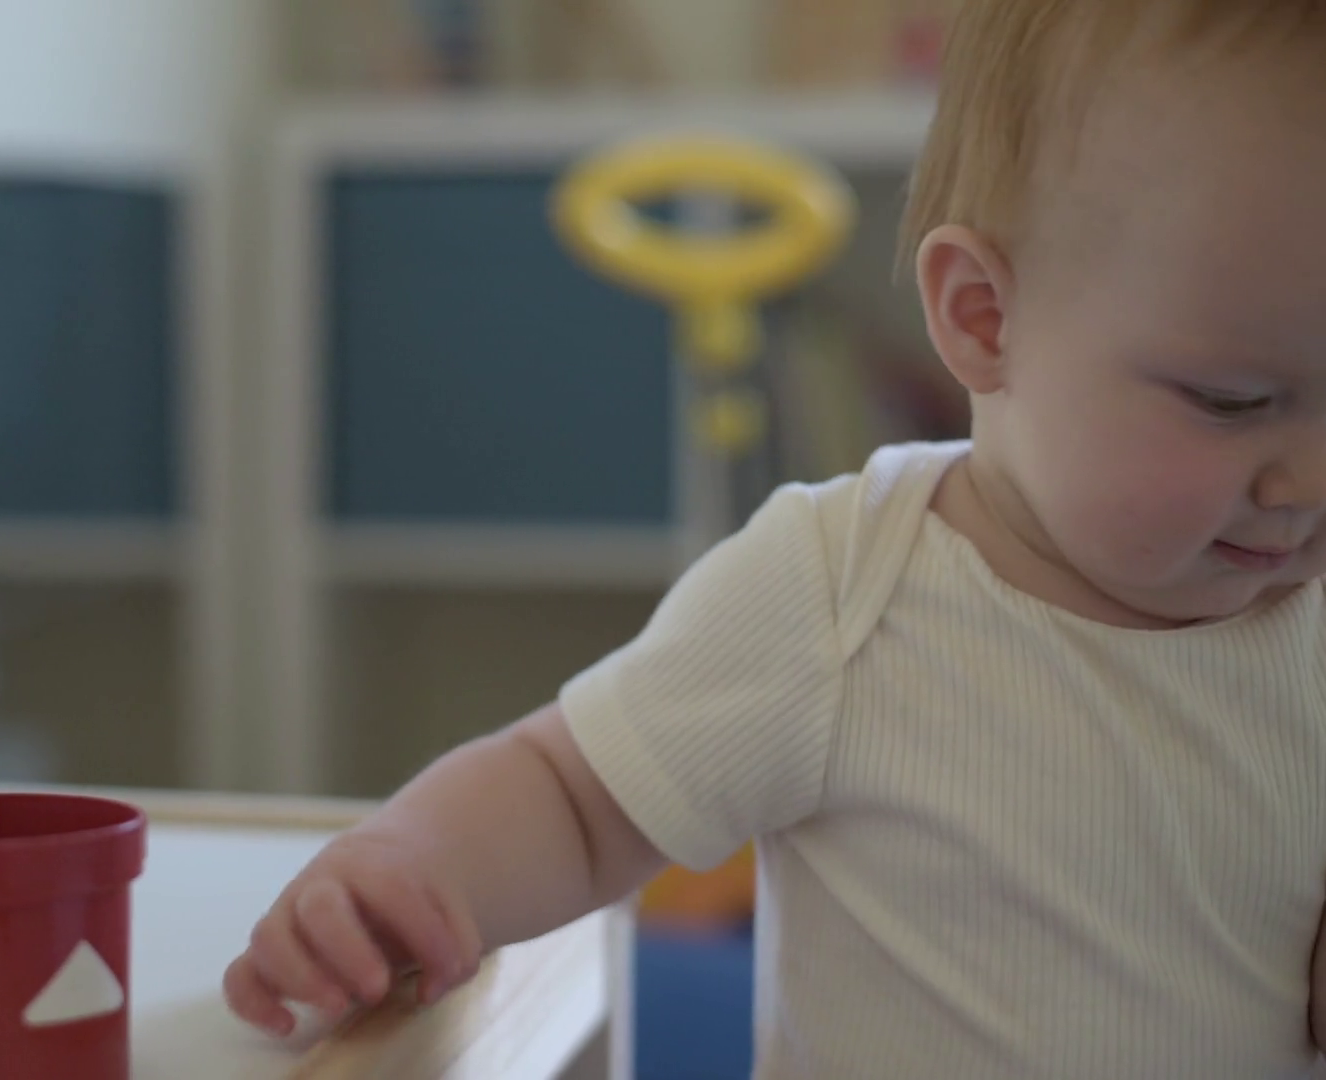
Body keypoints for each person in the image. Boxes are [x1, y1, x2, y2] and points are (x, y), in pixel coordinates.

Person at [223, 2, 1326, 1075]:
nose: (1311, 480)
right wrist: (409, 874)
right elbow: (577, 798)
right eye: (1233, 401)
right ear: (986, 317)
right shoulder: (842, 590)